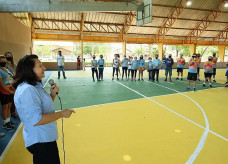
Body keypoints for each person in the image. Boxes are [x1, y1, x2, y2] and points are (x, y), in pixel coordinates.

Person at [13, 54, 75, 164]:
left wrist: (52, 95)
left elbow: (43, 108)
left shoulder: (34, 86)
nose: (44, 68)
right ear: (30, 70)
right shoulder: (28, 90)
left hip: (44, 138)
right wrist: (62, 114)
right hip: (41, 140)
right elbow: (37, 119)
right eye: (40, 66)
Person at [0, 55, 16, 130]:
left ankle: (8, 121)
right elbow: (1, 83)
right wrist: (8, 90)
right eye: (1, 61)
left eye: (4, 60)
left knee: (9, 107)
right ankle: (5, 123)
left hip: (10, 90)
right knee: (5, 108)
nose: (3, 62)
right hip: (4, 91)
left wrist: (13, 88)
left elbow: (11, 78)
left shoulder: (7, 69)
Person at [5, 52, 18, 118]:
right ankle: (12, 112)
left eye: (10, 56)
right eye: (7, 56)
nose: (9, 57)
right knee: (11, 99)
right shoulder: (5, 65)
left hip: (16, 83)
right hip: (10, 84)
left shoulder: (14, 64)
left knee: (15, 97)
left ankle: (14, 110)